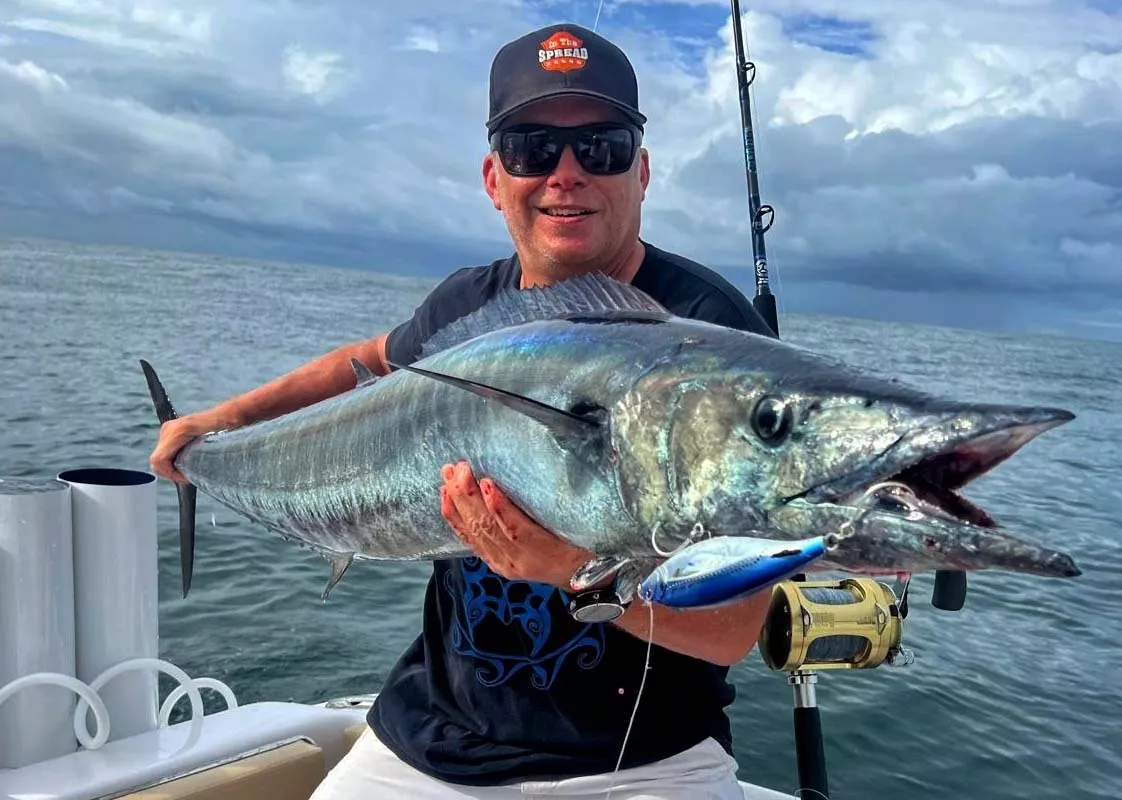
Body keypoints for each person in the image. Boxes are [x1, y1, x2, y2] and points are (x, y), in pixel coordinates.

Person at [150, 21, 780, 800]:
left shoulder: (709, 340)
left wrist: (568, 571)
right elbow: (372, 361)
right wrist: (222, 425)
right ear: (494, 178)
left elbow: (732, 631)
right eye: (532, 148)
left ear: (642, 171)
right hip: (428, 737)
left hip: (640, 764)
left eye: (603, 148)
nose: (567, 173)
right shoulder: (466, 305)